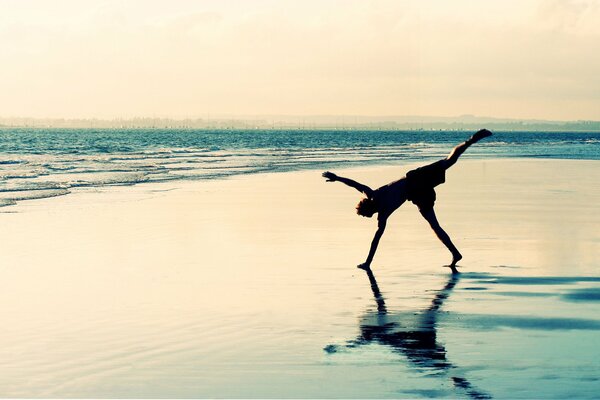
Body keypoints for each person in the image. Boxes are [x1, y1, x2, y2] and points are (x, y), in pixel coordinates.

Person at [322, 129, 492, 273]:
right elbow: (355, 186)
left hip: (415, 182)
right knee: (435, 221)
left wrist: (337, 178)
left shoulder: (377, 202)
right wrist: (337, 178)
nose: (366, 218)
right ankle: (455, 253)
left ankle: (471, 140)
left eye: (365, 215)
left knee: (447, 166)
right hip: (416, 192)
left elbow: (355, 185)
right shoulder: (377, 204)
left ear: (368, 209)